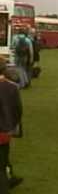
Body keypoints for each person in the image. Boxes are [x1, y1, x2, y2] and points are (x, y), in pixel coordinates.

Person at [0, 57, 23, 192]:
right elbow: (18, 111)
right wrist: (11, 126)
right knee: (2, 162)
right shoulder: (12, 87)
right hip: (5, 130)